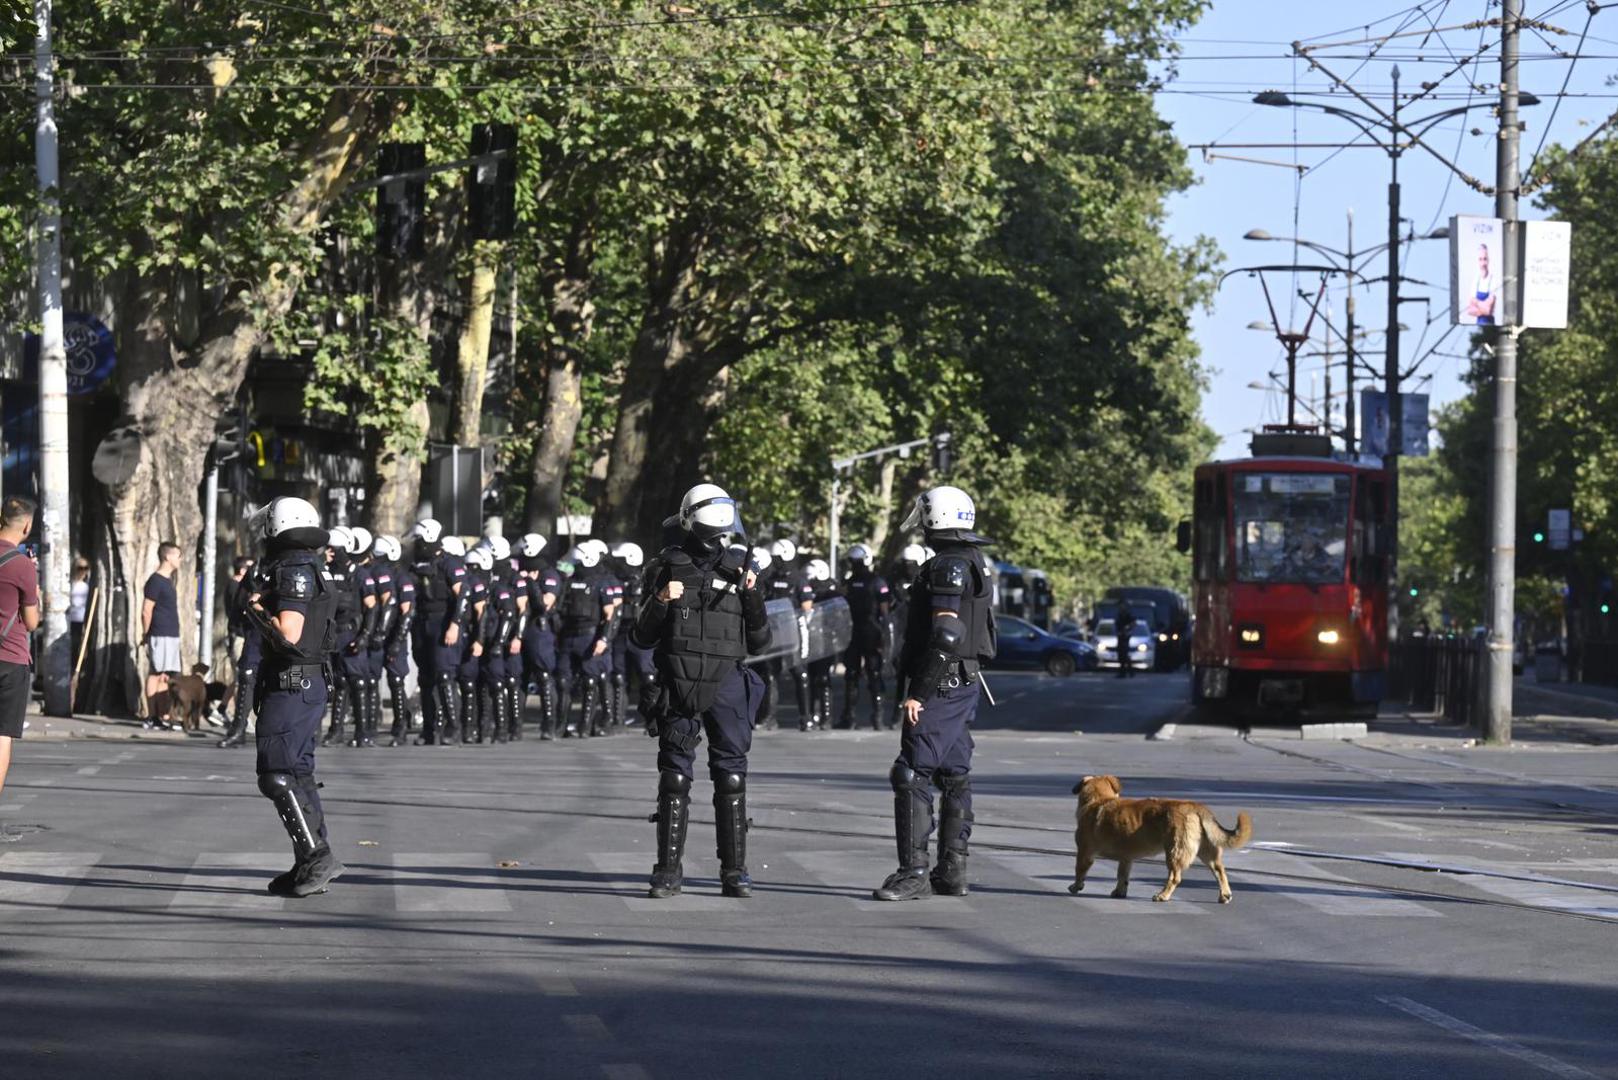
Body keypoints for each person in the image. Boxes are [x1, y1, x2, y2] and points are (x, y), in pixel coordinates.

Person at [632, 483, 772, 899]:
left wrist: (752, 595)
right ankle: (668, 871)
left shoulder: (741, 568)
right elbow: (642, 635)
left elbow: (760, 641)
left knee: (730, 776)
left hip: (727, 682)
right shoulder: (666, 567)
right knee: (675, 777)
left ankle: (735, 871)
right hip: (680, 680)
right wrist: (660, 599)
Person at [874, 485, 997, 902]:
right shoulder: (972, 560)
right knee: (954, 773)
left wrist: (919, 692)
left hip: (942, 683)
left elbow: (946, 632)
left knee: (911, 773)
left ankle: (914, 874)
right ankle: (951, 871)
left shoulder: (947, 565)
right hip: (963, 680)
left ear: (933, 519)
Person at [239, 496, 343, 897]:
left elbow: (290, 632)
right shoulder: (311, 565)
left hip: (293, 682)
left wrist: (256, 610)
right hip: (303, 682)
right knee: (297, 772)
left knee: (277, 776)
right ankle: (310, 862)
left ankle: (317, 857)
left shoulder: (294, 568)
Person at [0, 497, 41, 803]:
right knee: (2, 734)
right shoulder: (22, 565)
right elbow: (30, 621)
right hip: (10, 658)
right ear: (26, 525)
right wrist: (36, 593)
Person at [554, 542, 616, 738]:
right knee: (563, 682)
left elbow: (610, 615)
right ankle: (560, 725)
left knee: (590, 681)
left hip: (589, 636)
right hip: (568, 636)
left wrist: (604, 639)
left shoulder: (601, 583)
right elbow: (559, 610)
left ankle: (585, 726)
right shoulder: (567, 582)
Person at [838, 543, 891, 730]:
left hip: (865, 631)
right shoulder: (872, 582)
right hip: (864, 632)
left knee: (866, 674)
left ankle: (873, 717)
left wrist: (884, 634)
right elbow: (885, 613)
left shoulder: (867, 582)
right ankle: (856, 717)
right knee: (860, 674)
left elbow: (884, 612)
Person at [517, 533, 562, 739]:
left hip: (538, 629)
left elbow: (544, 605)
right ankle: (514, 725)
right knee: (518, 677)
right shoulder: (518, 572)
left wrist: (531, 585)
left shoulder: (549, 575)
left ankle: (549, 724)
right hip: (518, 628)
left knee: (543, 676)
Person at [610, 542, 655, 730]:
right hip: (620, 632)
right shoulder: (614, 580)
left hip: (640, 634)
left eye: (620, 560)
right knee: (619, 676)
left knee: (648, 676)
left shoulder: (644, 580)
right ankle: (617, 719)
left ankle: (653, 718)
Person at [217, 556, 262, 749]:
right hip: (253, 632)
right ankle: (239, 727)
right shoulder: (257, 571)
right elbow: (239, 607)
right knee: (245, 675)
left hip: (284, 632)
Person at [320, 527, 359, 747]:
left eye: (335, 550)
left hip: (345, 630)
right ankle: (315, 729)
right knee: (323, 681)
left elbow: (359, 604)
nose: (331, 554)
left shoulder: (354, 572)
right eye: (329, 550)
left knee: (345, 681)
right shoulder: (323, 568)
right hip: (325, 630)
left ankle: (338, 729)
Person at [141, 540, 184, 728]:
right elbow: (146, 609)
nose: (180, 559)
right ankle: (151, 716)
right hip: (160, 634)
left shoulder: (168, 581)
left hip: (171, 634)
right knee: (156, 672)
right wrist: (146, 633)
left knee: (166, 675)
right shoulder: (155, 581)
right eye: (177, 555)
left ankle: (164, 715)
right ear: (167, 556)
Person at [804, 558, 838, 731]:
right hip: (809, 638)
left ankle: (826, 716)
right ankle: (812, 714)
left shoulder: (832, 593)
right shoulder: (808, 591)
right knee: (810, 677)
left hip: (826, 640)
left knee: (823, 678)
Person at [1465, 243, 1496, 325]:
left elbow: (1489, 310)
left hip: (1490, 325)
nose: (1483, 263)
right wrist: (1483, 306)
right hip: (1478, 323)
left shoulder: (1493, 279)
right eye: (1480, 259)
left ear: (1488, 260)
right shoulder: (1475, 280)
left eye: (1485, 259)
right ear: (1477, 261)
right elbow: (1470, 310)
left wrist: (1476, 303)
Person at [69, 556, 90, 674]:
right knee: (72, 646)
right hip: (71, 619)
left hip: (81, 619)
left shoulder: (87, 586)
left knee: (78, 646)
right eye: (80, 568)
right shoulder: (69, 584)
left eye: (85, 568)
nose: (83, 571)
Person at [1115, 601, 1137, 680]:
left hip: (1125, 636)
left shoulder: (1128, 614)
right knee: (1121, 654)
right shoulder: (1119, 614)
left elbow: (1134, 623)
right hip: (1120, 635)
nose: (1121, 607)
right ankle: (1128, 671)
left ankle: (1124, 672)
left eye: (1122, 606)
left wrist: (1127, 629)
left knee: (1124, 654)